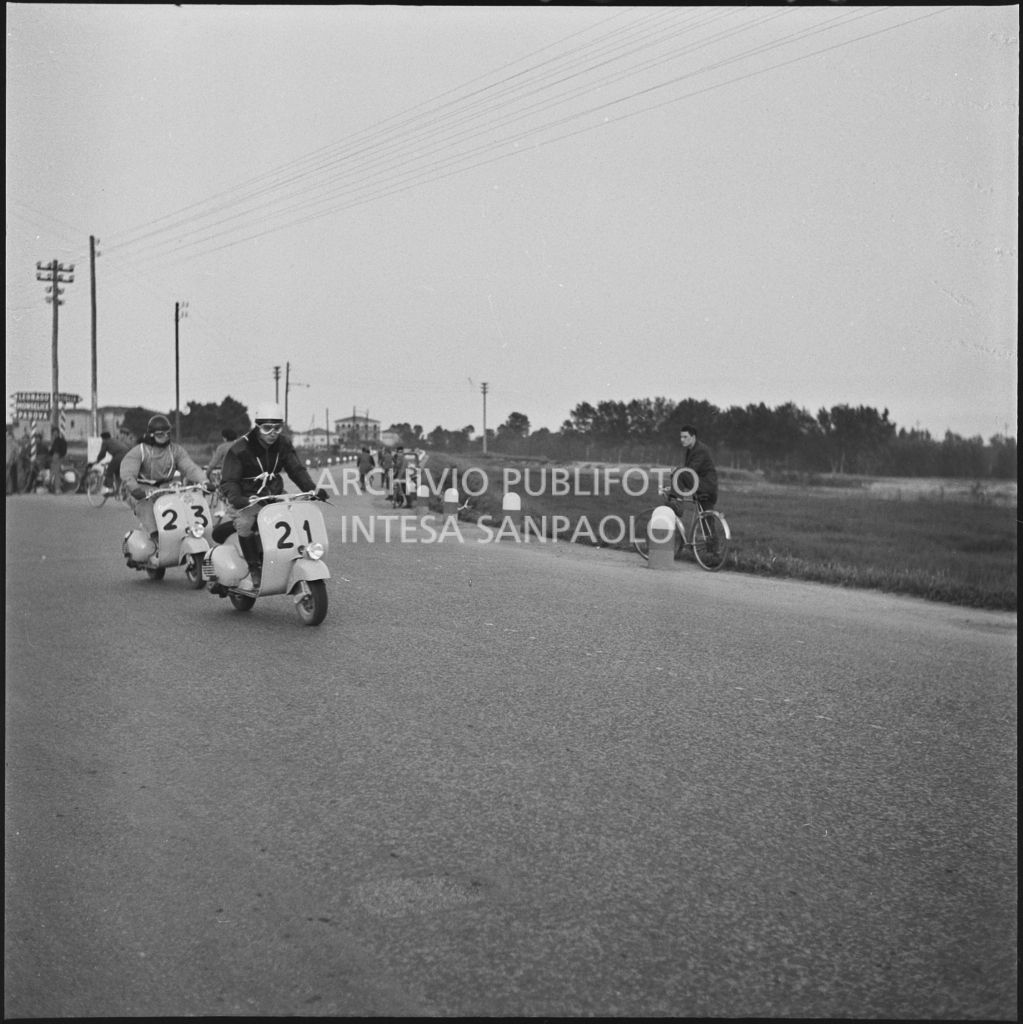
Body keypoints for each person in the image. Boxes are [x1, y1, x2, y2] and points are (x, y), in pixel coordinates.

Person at [219, 402, 327, 589]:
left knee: (294, 515)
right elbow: (229, 481)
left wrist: (313, 489)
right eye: (267, 428)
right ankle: (254, 567)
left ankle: (288, 559)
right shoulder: (240, 448)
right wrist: (239, 499)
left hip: (274, 494)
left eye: (277, 428)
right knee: (245, 524)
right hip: (248, 498)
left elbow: (296, 469)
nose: (273, 433)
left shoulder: (283, 444)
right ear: (258, 426)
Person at [119, 414, 210, 558]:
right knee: (145, 505)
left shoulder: (175, 450)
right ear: (151, 434)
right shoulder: (140, 450)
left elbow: (190, 467)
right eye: (160, 434)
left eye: (167, 433)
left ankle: (188, 532)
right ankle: (155, 538)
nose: (165, 437)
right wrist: (134, 488)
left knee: (186, 501)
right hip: (142, 489)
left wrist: (204, 481)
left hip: (166, 487)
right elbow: (127, 471)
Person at [671, 424, 718, 510]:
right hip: (703, 484)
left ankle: (678, 505)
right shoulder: (691, 449)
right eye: (681, 437)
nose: (682, 440)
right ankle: (675, 502)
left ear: (693, 437)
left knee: (679, 472)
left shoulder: (700, 450)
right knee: (706, 521)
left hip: (706, 486)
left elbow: (690, 471)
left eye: (685, 437)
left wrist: (676, 471)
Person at [6, 427, 19, 495]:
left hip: (8, 459)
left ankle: (8, 490)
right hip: (9, 459)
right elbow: (16, 449)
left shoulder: (9, 438)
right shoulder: (10, 439)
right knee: (8, 475)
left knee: (8, 475)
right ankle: (8, 490)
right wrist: (15, 457)